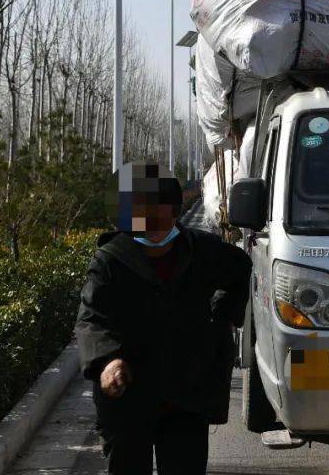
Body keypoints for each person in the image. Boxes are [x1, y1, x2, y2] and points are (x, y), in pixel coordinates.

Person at [76, 162, 252, 475]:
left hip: (186, 393)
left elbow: (240, 270)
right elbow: (91, 319)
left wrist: (222, 316)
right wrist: (108, 361)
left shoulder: (202, 251)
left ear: (174, 211)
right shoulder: (110, 261)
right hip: (129, 393)